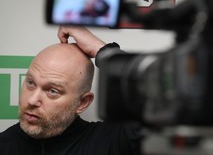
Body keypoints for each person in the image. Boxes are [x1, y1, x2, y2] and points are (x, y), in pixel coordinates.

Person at [0, 26, 140, 155]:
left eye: (53, 91)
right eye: (30, 83)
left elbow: (157, 101)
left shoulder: (111, 142)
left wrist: (102, 51)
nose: (32, 100)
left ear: (82, 103)